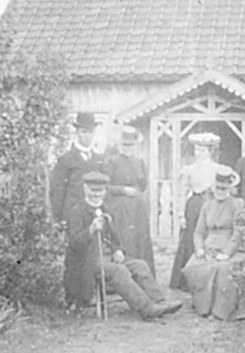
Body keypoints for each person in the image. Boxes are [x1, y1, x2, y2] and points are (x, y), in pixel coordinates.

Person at [66, 171, 183, 320]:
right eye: (93, 191)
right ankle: (147, 308)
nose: (97, 195)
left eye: (100, 191)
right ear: (85, 189)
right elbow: (74, 244)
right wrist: (91, 230)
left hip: (109, 258)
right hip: (88, 261)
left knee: (140, 265)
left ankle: (160, 302)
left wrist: (118, 250)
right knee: (119, 270)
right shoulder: (77, 211)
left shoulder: (107, 209)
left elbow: (116, 237)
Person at [49, 111, 104, 310]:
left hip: (93, 211)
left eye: (89, 132)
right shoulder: (66, 160)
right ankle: (72, 297)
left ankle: (88, 295)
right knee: (74, 255)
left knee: (92, 253)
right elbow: (57, 190)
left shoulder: (98, 160)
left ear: (94, 134)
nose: (86, 136)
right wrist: (59, 217)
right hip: (73, 213)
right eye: (83, 132)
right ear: (77, 133)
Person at [181, 165, 245, 321]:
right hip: (209, 248)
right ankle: (203, 306)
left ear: (229, 189)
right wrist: (199, 248)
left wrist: (227, 252)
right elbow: (199, 232)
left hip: (231, 249)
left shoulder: (237, 205)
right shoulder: (207, 206)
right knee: (192, 267)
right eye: (217, 188)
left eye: (223, 189)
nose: (220, 192)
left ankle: (220, 310)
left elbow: (239, 232)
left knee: (223, 269)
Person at [169, 132, 220, 291]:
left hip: (211, 204)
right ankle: (186, 280)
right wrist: (181, 214)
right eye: (197, 149)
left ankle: (208, 278)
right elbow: (182, 192)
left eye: (203, 150)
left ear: (209, 151)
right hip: (194, 206)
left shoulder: (216, 168)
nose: (199, 153)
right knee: (191, 239)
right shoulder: (189, 169)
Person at [103, 125, 156, 277]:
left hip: (138, 208)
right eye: (125, 145)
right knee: (126, 239)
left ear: (135, 146)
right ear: (120, 145)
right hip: (121, 208)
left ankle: (144, 275)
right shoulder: (112, 162)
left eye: (131, 145)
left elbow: (144, 184)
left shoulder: (139, 162)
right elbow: (107, 186)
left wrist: (137, 192)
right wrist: (123, 190)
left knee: (140, 238)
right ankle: (126, 275)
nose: (128, 148)